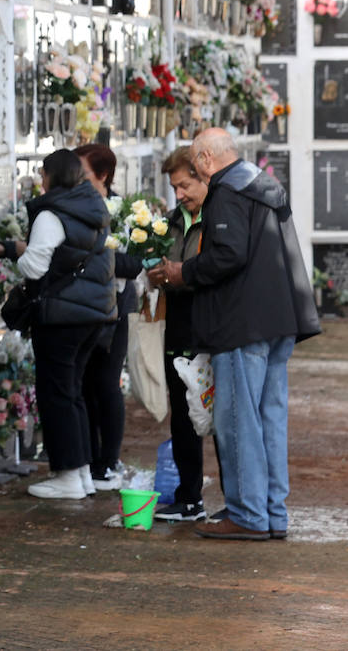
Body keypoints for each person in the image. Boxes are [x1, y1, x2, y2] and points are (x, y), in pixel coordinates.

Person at [157, 128, 320, 540]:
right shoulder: (263, 184)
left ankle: (247, 515)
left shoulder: (227, 190)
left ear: (208, 159)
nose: (197, 174)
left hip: (240, 322)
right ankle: (271, 514)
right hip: (277, 319)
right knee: (270, 419)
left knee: (237, 420)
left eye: (195, 167)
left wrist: (182, 272)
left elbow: (228, 253)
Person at [0, 149, 116, 499]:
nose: (40, 180)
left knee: (57, 394)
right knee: (73, 393)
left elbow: (34, 267)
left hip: (62, 316)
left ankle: (68, 476)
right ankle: (83, 473)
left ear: (52, 176)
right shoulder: (90, 205)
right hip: (93, 313)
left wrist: (20, 258)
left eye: (43, 174)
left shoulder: (52, 211)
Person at [146, 147, 220, 521]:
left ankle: (237, 503)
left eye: (185, 185)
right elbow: (162, 261)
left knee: (219, 414)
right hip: (177, 324)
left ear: (204, 177)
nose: (179, 194)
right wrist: (158, 271)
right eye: (175, 187)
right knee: (182, 415)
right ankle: (189, 497)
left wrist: (182, 273)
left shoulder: (221, 218)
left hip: (212, 325)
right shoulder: (172, 221)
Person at [74, 143, 143, 491]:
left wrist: (97, 254)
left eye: (83, 173)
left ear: (102, 175)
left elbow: (135, 263)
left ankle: (108, 462)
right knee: (83, 386)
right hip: (83, 309)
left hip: (115, 310)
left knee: (107, 385)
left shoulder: (123, 211)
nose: (77, 179)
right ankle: (87, 460)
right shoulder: (76, 206)